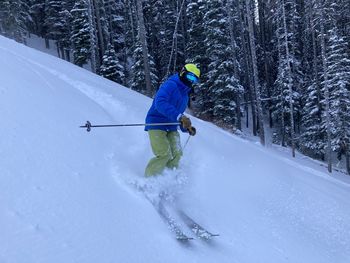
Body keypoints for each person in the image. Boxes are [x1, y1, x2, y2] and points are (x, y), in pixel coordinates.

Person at [144, 64, 200, 177]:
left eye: (194, 79)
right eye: (190, 77)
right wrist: (180, 117)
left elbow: (177, 113)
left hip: (172, 125)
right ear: (183, 73)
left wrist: (186, 127)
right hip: (156, 122)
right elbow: (159, 103)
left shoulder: (185, 94)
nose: (191, 81)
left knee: (177, 154)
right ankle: (148, 182)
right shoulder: (170, 85)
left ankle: (166, 181)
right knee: (164, 154)